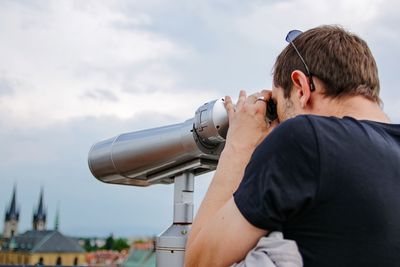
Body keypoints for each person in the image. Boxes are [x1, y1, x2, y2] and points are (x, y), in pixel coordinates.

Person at [184, 25, 400, 267]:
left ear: (301, 88)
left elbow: (199, 262)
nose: (276, 126)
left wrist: (238, 147)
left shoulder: (305, 138)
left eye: (276, 107)